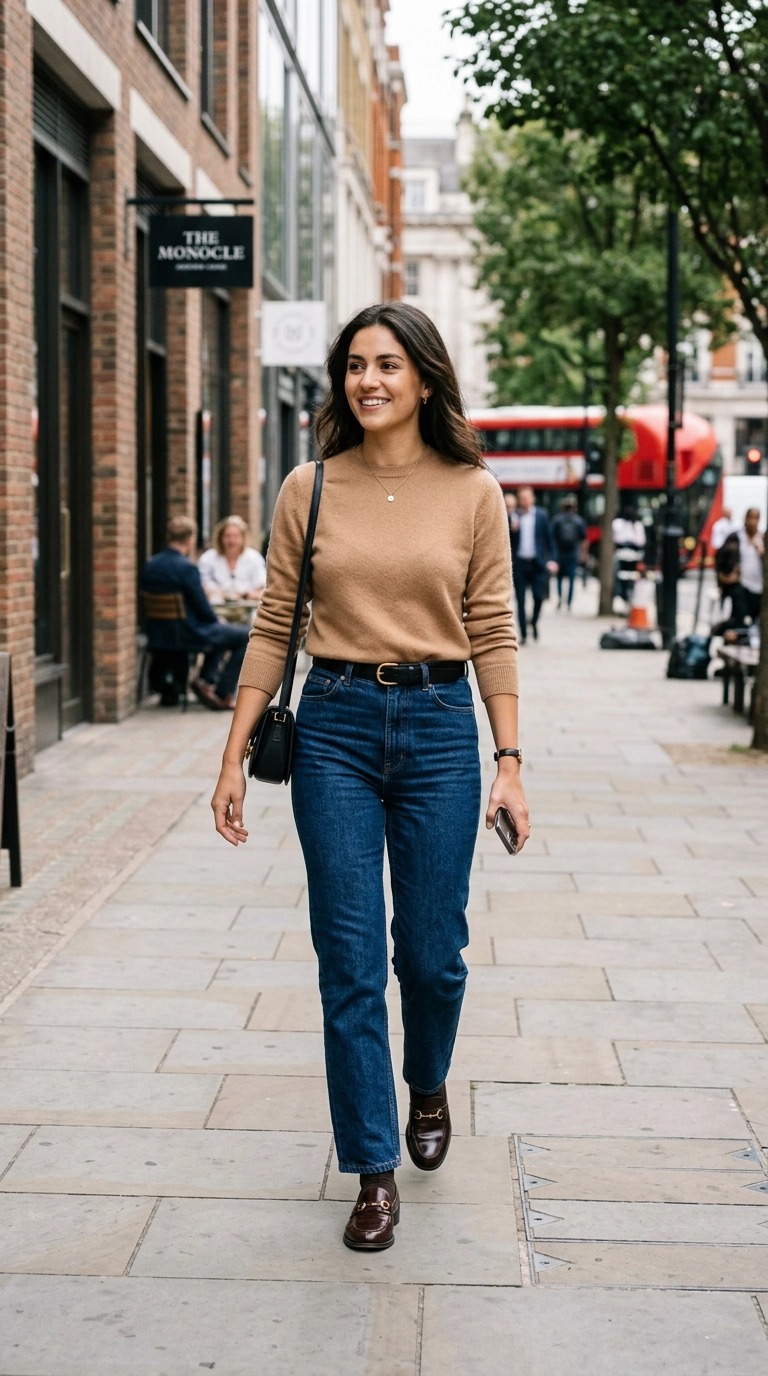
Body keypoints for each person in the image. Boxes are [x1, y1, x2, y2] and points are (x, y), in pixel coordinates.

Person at [211, 301, 530, 1253]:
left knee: (431, 956)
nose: (369, 381)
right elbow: (274, 626)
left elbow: (493, 632)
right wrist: (231, 755)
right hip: (337, 728)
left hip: (438, 729)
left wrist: (509, 762)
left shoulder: (474, 491)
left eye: (388, 364)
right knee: (348, 963)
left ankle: (426, 1078)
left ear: (425, 378)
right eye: (355, 365)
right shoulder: (310, 487)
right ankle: (373, 1168)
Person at [141, 515, 249, 710]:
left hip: (157, 633)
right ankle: (223, 692)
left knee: (221, 633)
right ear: (190, 540)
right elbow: (203, 609)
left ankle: (205, 681)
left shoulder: (151, 564)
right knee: (244, 635)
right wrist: (217, 620)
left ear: (169, 537)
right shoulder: (187, 568)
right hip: (186, 633)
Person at [509, 485, 557, 643]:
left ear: (533, 499)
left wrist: (552, 560)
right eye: (521, 498)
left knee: (538, 597)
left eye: (527, 498)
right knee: (521, 600)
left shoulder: (542, 516)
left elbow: (549, 540)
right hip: (520, 564)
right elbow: (505, 540)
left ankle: (534, 622)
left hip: (538, 564)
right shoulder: (513, 516)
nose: (524, 501)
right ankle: (523, 634)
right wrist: (512, 528)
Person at [198, 515, 266, 603]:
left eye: (236, 536)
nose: (232, 541)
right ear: (220, 538)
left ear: (243, 538)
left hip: (247, 609)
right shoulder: (208, 558)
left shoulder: (254, 558)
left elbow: (263, 588)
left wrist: (245, 595)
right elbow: (201, 585)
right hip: (217, 609)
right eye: (227, 536)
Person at [551, 495, 587, 610]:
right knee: (572, 579)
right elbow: (584, 539)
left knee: (560, 578)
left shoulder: (557, 519)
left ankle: (560, 599)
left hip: (560, 553)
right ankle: (569, 603)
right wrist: (583, 555)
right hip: (573, 552)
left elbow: (552, 537)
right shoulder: (579, 520)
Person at [612, 505, 646, 605]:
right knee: (631, 577)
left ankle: (622, 595)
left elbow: (615, 538)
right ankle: (628, 595)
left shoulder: (617, 523)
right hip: (633, 554)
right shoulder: (637, 525)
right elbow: (641, 541)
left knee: (620, 577)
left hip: (621, 553)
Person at [738, 507, 764, 624]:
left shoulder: (762, 538)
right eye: (751, 518)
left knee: (754, 615)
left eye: (756, 518)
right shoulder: (738, 537)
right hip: (741, 583)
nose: (753, 522)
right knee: (742, 616)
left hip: (757, 584)